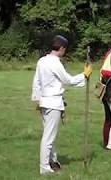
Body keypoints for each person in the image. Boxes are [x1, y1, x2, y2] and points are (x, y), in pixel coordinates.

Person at [31, 35, 92, 175]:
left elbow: (36, 82)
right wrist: (84, 75)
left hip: (45, 102)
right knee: (49, 137)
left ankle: (53, 161)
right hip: (52, 103)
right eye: (65, 49)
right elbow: (68, 80)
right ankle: (44, 167)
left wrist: (37, 100)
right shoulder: (55, 62)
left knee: (50, 135)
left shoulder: (42, 60)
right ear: (62, 48)